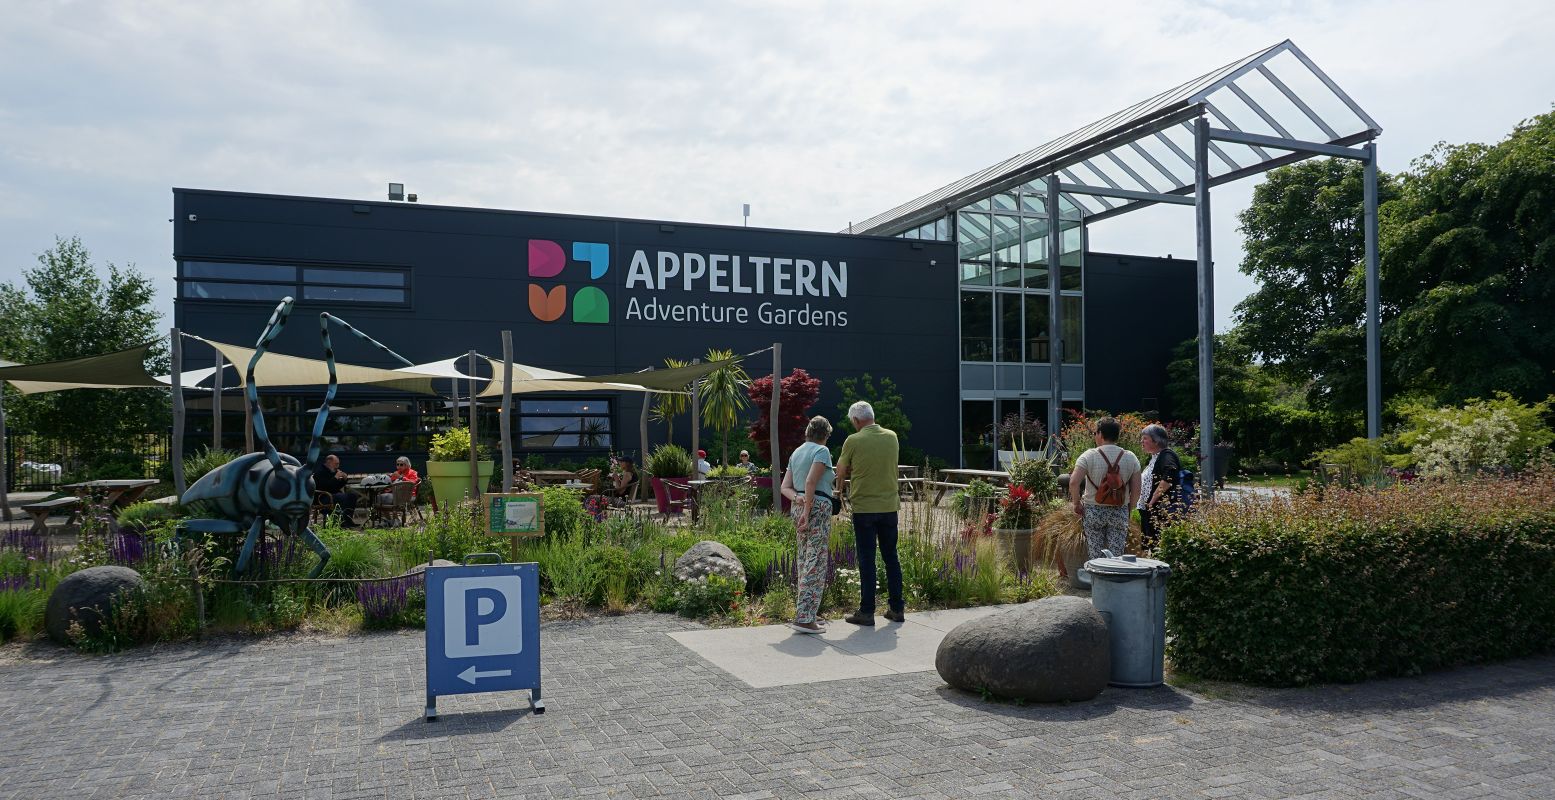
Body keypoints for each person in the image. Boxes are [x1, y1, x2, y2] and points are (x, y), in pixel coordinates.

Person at [835, 400, 904, 625]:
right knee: (891, 557)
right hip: (889, 506)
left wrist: (841, 488)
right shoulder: (892, 437)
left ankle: (866, 611)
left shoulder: (853, 440)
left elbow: (841, 469)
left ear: (856, 420)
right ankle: (896, 608)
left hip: (864, 508)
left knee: (867, 559)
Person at [781, 416, 836, 634]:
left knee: (804, 558)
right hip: (816, 508)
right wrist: (807, 509)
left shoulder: (797, 452)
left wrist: (798, 501)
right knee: (816, 560)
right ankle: (805, 618)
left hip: (799, 505)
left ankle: (806, 612)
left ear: (807, 432)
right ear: (826, 434)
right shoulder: (821, 451)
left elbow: (785, 486)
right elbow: (811, 481)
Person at [1070, 417, 1142, 559]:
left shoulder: (1088, 455)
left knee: (1095, 553)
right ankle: (1114, 579)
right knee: (1116, 555)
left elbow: (1073, 482)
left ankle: (1097, 579)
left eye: (1095, 433)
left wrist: (1076, 503)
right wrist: (1129, 509)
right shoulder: (1131, 457)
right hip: (1119, 509)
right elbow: (1137, 489)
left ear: (1100, 434)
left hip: (1093, 509)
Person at [1137, 424, 1181, 553]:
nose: (1142, 441)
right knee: (1150, 546)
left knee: (1158, 547)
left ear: (1156, 441)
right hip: (1149, 511)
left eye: (1145, 438)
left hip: (1158, 511)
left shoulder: (1166, 456)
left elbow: (1169, 477)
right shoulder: (1155, 457)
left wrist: (1152, 501)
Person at [313, 453, 358, 528]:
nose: (338, 466)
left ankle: (347, 521)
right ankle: (340, 523)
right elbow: (325, 487)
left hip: (332, 495)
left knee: (352, 496)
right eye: (336, 464)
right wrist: (336, 477)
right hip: (322, 498)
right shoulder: (320, 472)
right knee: (342, 497)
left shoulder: (331, 471)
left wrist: (344, 479)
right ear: (329, 462)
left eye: (338, 464)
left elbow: (335, 487)